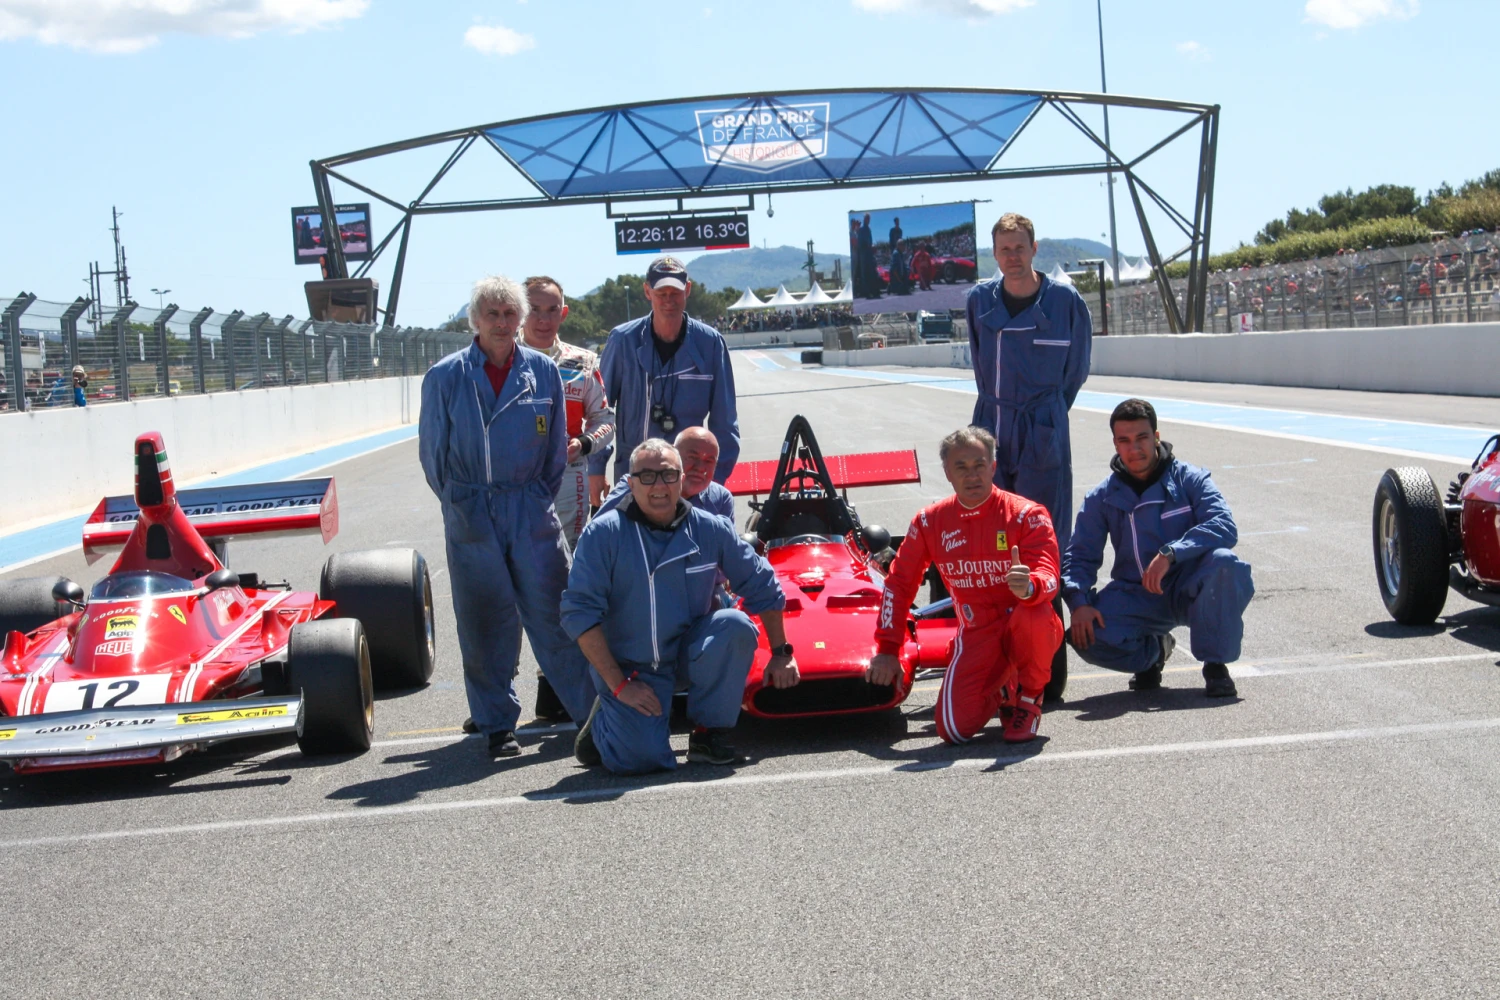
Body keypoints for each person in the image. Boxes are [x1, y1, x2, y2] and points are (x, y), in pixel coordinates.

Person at [418, 274, 596, 758]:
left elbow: (555, 453)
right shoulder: (445, 376)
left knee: (556, 611)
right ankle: (497, 724)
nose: (502, 323)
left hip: (530, 507)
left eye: (510, 314)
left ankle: (592, 716)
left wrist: (533, 495)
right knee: (484, 619)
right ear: (474, 319)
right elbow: (434, 457)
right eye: (492, 314)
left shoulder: (542, 372)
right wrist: (461, 502)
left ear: (520, 320)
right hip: (472, 510)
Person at [561, 439, 798, 774]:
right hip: (632, 668)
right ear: (630, 484)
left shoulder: (710, 528)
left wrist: (781, 652)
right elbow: (578, 614)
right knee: (642, 761)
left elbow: (763, 584)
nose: (659, 486)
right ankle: (605, 722)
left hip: (688, 656)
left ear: (681, 479)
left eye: (668, 475)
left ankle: (707, 734)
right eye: (647, 477)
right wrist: (619, 684)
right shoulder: (603, 534)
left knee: (734, 625)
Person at [867, 426, 1062, 744]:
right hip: (977, 632)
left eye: (979, 465)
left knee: (1034, 612)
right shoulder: (930, 521)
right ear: (947, 473)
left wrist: (1029, 586)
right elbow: (898, 584)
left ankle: (1029, 699)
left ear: (993, 467)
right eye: (962, 467)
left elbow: (1050, 575)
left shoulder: (1028, 515)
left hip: (1023, 621)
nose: (972, 476)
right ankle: (1003, 689)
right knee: (952, 730)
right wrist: (888, 648)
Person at [967, 212, 1092, 702]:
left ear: (1034, 248)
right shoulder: (979, 301)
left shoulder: (1065, 301)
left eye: (1019, 247)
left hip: (1043, 430)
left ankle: (1047, 672)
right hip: (994, 427)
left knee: (1043, 542)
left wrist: (1045, 420)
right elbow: (981, 366)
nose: (1012, 256)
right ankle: (995, 663)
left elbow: (1075, 372)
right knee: (991, 539)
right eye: (1003, 249)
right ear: (994, 254)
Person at [1062, 398, 1254, 698]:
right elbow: (1080, 556)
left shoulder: (1190, 479)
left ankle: (1215, 664)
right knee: (1086, 635)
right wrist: (1078, 602)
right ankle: (1153, 653)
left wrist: (1171, 553)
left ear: (1156, 437)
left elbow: (1223, 525)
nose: (1134, 448)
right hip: (1139, 595)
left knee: (1225, 564)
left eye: (1142, 438)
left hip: (1193, 589)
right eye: (1124, 441)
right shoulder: (1102, 497)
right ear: (1115, 444)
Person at [594, 255, 740, 488]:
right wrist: (595, 469)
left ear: (688, 290)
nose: (668, 300)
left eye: (675, 292)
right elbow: (601, 412)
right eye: (661, 293)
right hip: (633, 476)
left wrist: (715, 480)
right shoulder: (622, 341)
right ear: (647, 291)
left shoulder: (710, 343)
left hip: (687, 480)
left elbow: (725, 422)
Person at [519, 275, 614, 547]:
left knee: (568, 557)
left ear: (564, 313)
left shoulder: (582, 361)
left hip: (569, 476)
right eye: (534, 309)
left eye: (552, 310)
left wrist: (583, 444)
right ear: (521, 311)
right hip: (516, 481)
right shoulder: (502, 359)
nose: (543, 320)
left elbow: (605, 419)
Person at [596, 425, 735, 523]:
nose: (700, 467)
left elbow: (729, 555)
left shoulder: (720, 500)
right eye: (692, 457)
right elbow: (593, 537)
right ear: (675, 455)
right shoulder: (637, 484)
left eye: (709, 461)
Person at [856, 213, 879, 299]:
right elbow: (860, 243)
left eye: (869, 219)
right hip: (863, 253)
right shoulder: (862, 229)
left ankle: (872, 290)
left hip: (869, 253)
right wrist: (867, 246)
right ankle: (866, 292)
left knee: (871, 272)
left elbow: (870, 241)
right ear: (864, 219)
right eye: (867, 218)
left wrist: (871, 247)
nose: (868, 220)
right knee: (864, 273)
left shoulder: (869, 229)